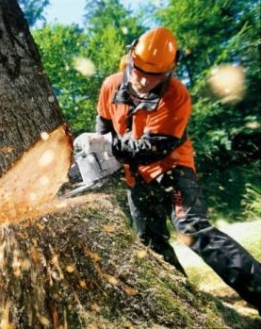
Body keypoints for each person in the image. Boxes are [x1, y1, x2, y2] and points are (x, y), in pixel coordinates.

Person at [94, 26, 261, 312]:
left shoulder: (176, 95)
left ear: (168, 71)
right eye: (139, 71)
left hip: (174, 171)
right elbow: (104, 127)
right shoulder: (111, 86)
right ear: (131, 59)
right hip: (136, 177)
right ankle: (187, 307)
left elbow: (152, 148)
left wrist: (110, 147)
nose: (143, 80)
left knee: (194, 230)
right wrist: (97, 152)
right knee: (151, 244)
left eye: (153, 75)